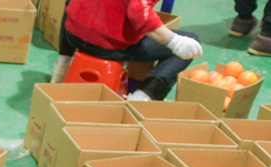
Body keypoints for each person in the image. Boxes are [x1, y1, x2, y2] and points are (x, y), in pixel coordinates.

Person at [50, 0, 202, 101]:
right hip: (107, 46)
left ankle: (63, 65)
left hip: (73, 33)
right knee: (191, 43)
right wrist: (174, 41)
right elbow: (139, 11)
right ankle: (140, 98)